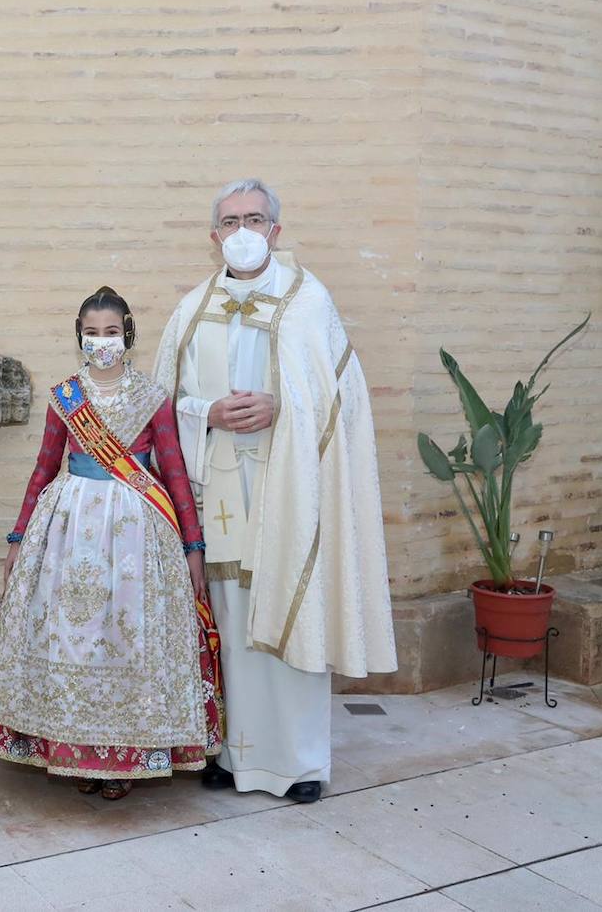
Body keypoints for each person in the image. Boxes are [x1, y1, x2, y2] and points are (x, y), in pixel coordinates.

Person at [154, 179, 396, 803]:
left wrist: (282, 405)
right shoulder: (191, 308)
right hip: (218, 489)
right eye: (231, 219)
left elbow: (342, 399)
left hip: (287, 491)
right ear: (214, 237)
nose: (242, 229)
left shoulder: (308, 302)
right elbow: (160, 403)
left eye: (254, 218)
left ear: (275, 230)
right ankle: (230, 754)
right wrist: (206, 412)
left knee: (290, 614)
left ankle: (298, 764)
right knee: (227, 626)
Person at [0, 287, 222, 800]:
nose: (101, 342)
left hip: (137, 533)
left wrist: (193, 548)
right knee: (73, 639)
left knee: (124, 639)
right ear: (78, 336)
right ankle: (75, 752)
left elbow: (174, 473)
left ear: (127, 335)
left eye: (111, 333)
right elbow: (43, 468)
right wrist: (18, 538)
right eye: (91, 333)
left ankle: (124, 759)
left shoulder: (152, 398)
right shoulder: (65, 397)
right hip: (66, 532)